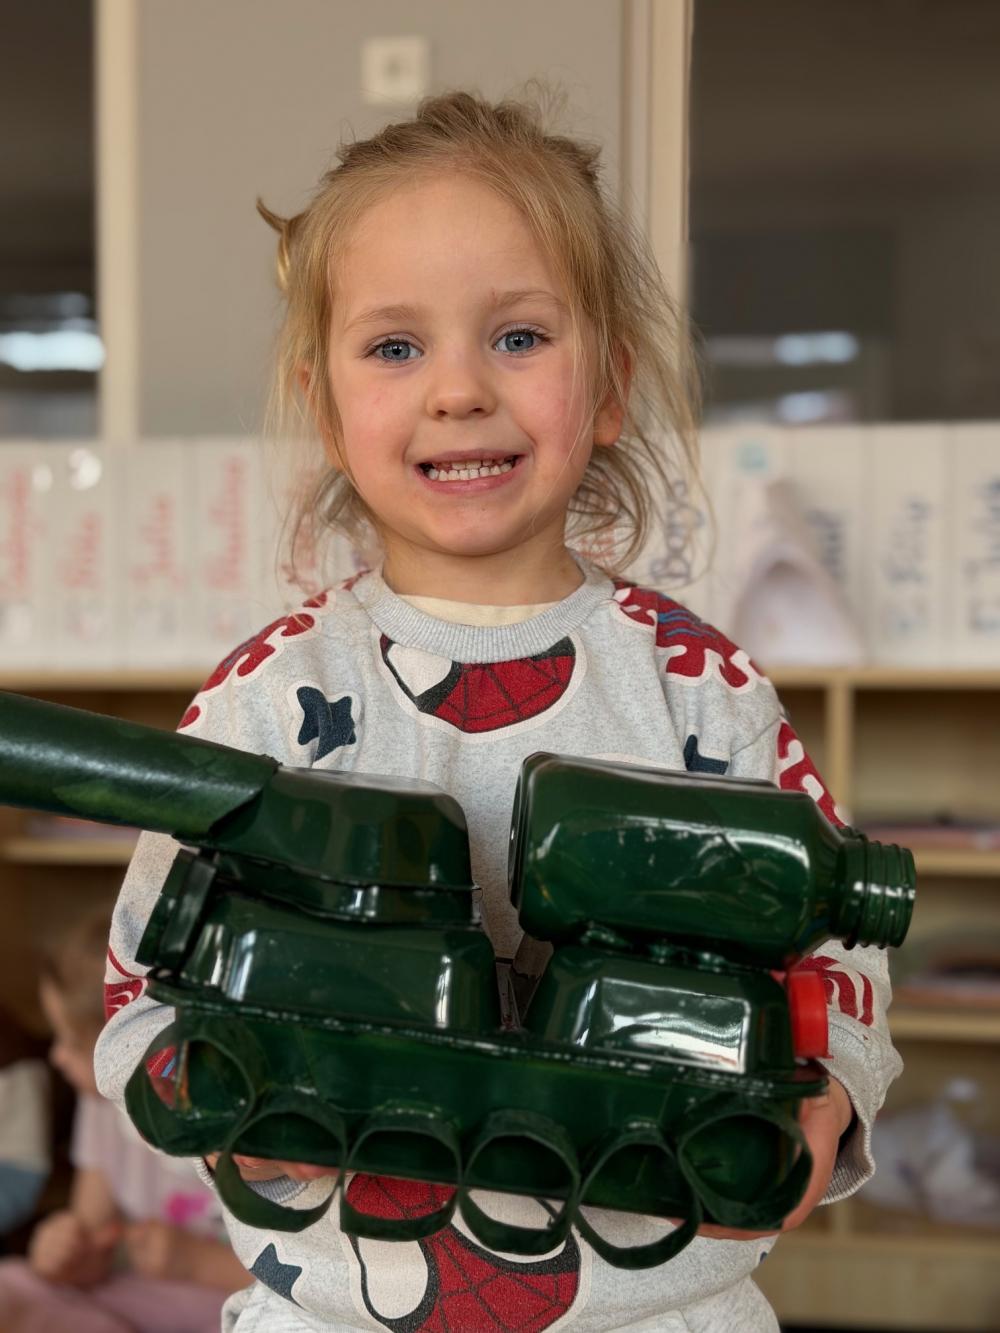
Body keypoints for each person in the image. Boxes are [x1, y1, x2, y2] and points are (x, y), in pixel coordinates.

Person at [94, 85, 901, 1333]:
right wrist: (210, 1089)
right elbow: (139, 983)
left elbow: (837, 944)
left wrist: (828, 1091)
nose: (459, 389)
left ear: (611, 386)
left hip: (654, 1312)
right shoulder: (270, 698)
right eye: (395, 348)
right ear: (326, 407)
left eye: (518, 336)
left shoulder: (702, 687)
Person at [0, 912, 251, 1333]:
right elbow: (92, 1236)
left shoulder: (235, 1130)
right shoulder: (101, 1109)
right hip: (132, 1301)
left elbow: (305, 1281)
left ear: (131, 1053)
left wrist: (197, 1263)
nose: (56, 1056)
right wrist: (67, 1256)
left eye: (73, 1042)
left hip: (229, 1307)